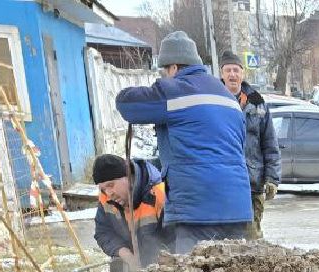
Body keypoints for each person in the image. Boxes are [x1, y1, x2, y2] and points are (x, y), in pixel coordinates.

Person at [115, 31, 251, 254]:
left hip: (197, 208)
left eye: (166, 71)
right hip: (237, 206)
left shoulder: (175, 91)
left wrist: (158, 86)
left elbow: (126, 103)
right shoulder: (228, 97)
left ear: (174, 67)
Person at [220, 51, 280, 240]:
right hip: (223, 182)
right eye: (228, 70)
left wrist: (272, 178)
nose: (232, 75)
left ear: (242, 74)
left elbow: (270, 144)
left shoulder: (258, 104)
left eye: (236, 70)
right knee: (225, 239)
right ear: (221, 74)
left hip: (252, 183)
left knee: (252, 237)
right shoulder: (214, 101)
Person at [91, 154, 166, 272]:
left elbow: (175, 239)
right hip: (134, 270)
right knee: (118, 265)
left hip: (162, 270)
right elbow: (103, 232)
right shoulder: (106, 199)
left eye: (111, 185)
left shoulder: (159, 194)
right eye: (103, 188)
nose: (109, 193)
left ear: (129, 177)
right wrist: (125, 254)